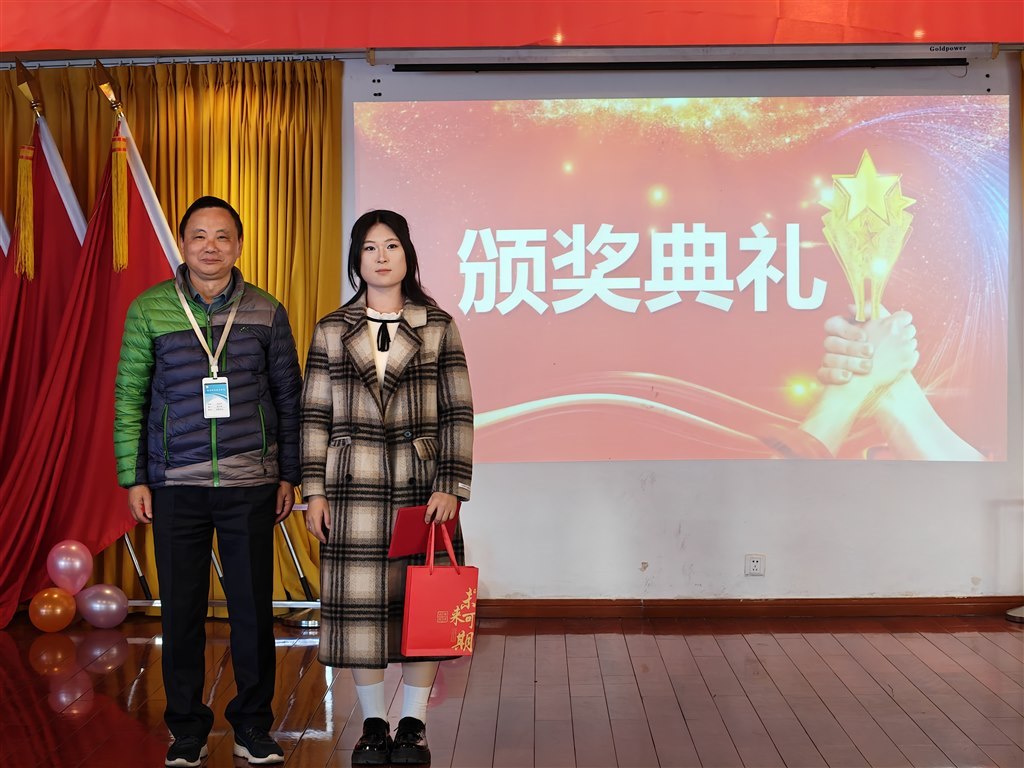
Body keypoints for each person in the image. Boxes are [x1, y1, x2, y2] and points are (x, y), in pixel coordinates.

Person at [114, 196, 302, 767]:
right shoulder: (150, 309)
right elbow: (129, 397)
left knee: (252, 610)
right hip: (176, 483)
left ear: (239, 245)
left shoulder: (266, 310)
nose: (211, 246)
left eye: (222, 236)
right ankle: (187, 729)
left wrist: (289, 474)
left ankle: (253, 725)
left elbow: (289, 398)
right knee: (182, 612)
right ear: (183, 244)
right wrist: (134, 477)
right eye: (199, 236)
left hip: (250, 482)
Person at [300, 209, 474, 765]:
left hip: (421, 490)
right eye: (370, 247)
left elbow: (458, 411)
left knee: (423, 607)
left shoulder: (437, 324)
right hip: (350, 491)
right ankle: (374, 723)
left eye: (392, 245)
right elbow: (314, 415)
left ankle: (413, 725)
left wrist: (451, 484)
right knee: (362, 613)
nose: (381, 256)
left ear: (408, 255)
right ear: (357, 259)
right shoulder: (332, 328)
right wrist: (314, 491)